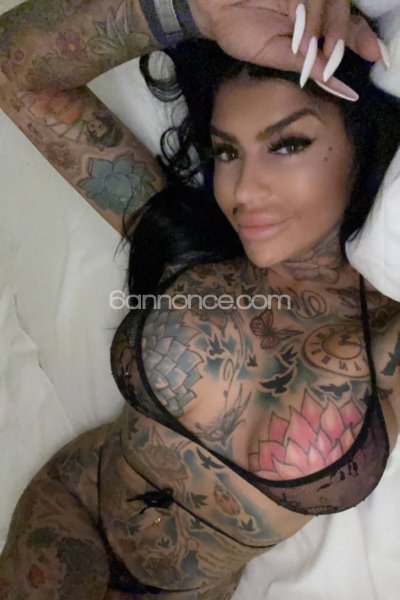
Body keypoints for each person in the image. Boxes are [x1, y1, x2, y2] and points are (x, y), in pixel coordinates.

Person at [0, 1, 399, 599]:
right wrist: (199, 11)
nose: (243, 189)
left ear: (363, 144)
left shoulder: (387, 336)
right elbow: (15, 67)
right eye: (226, 152)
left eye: (287, 144)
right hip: (74, 509)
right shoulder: (189, 248)